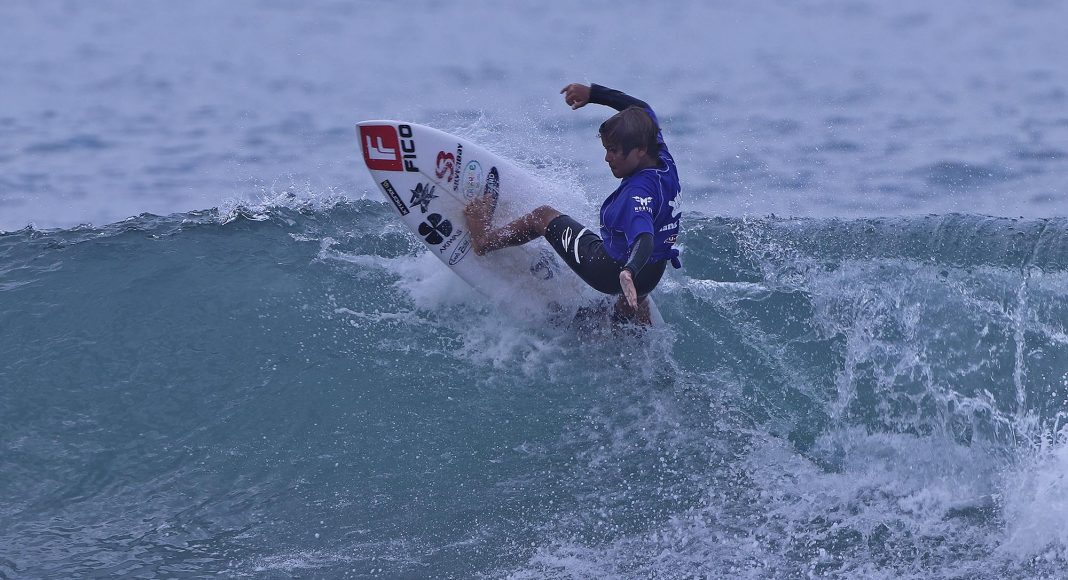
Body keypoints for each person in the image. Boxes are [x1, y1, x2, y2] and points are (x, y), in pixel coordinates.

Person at [464, 82, 681, 325]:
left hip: (610, 269)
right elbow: (641, 108)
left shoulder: (638, 193)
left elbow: (644, 237)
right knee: (633, 292)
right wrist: (594, 94)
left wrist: (628, 271)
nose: (607, 158)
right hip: (651, 274)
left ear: (639, 150)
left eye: (614, 151)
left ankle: (482, 241)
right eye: (606, 149)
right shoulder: (661, 155)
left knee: (542, 216)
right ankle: (621, 325)